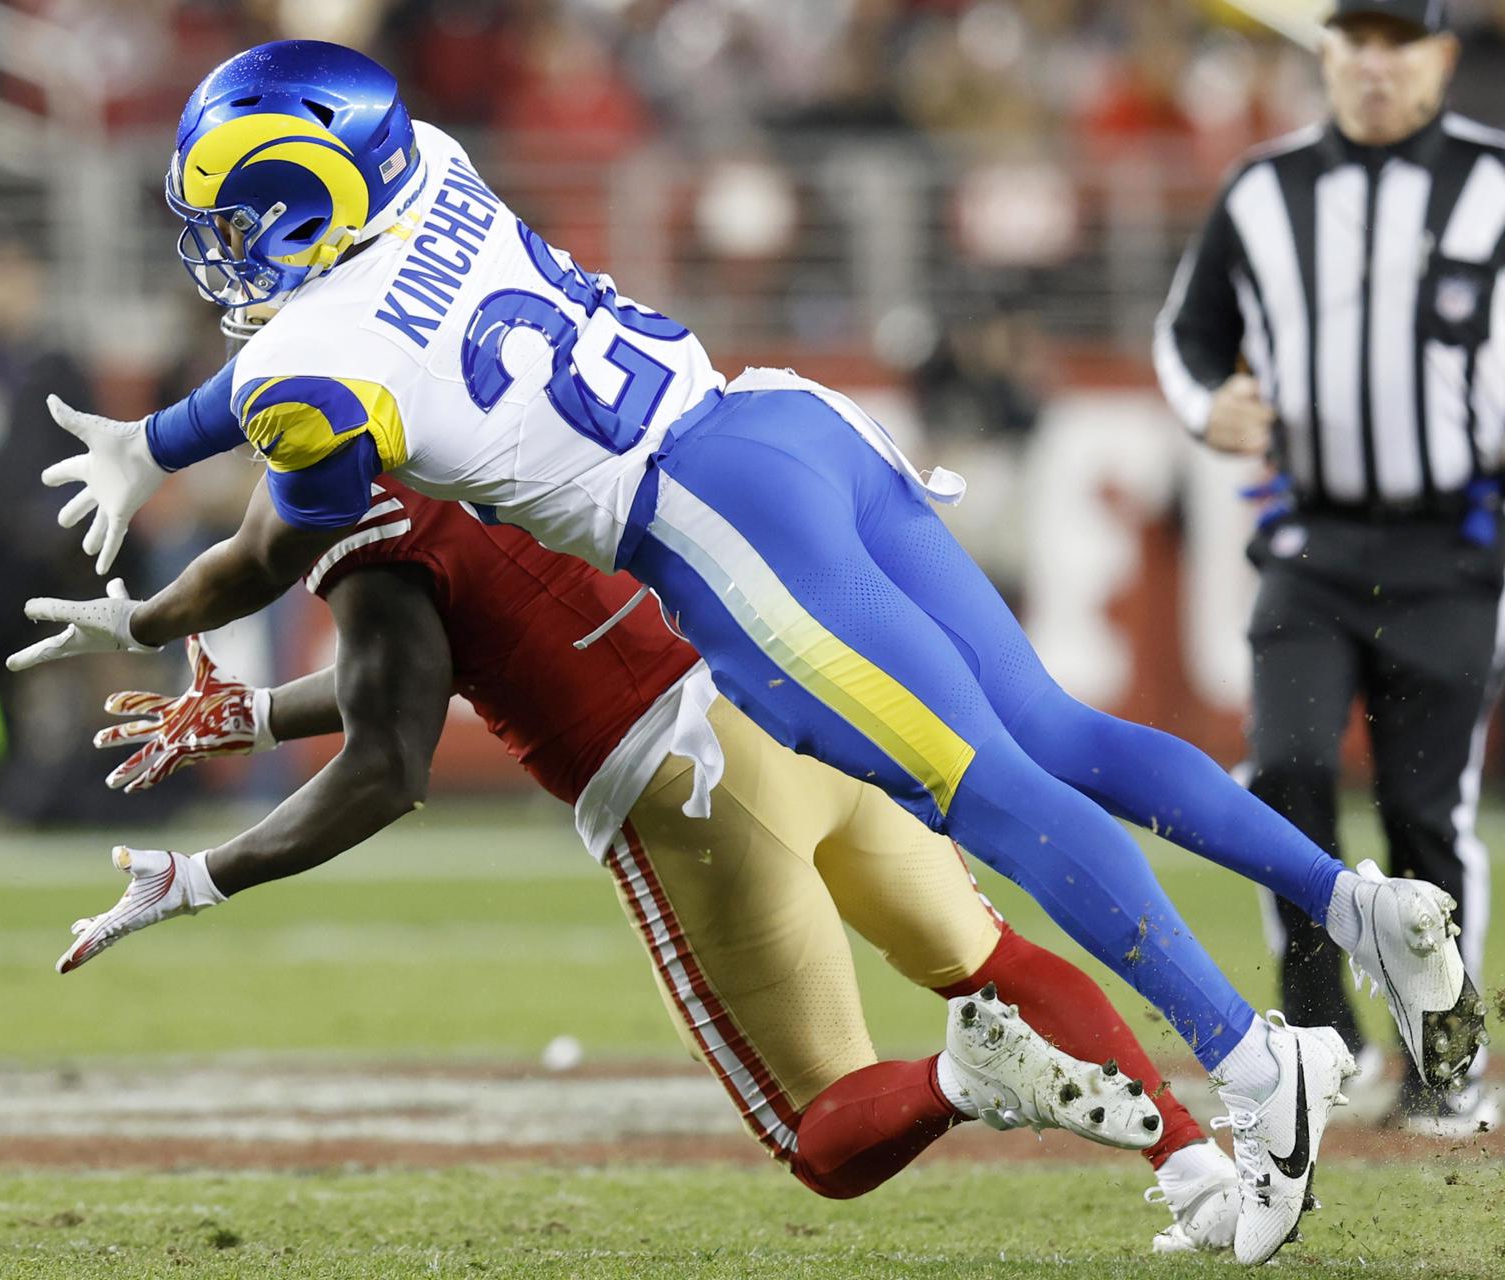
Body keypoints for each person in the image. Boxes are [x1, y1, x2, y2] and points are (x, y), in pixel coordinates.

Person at [9, 39, 1485, 1264]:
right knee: (1055, 728)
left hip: (705, 524)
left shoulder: (299, 382)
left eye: (240, 215)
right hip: (785, 421)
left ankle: (1249, 1059)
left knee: (974, 788)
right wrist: (156, 438)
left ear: (305, 200)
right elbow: (290, 368)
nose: (220, 251)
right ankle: (1358, 906)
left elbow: (285, 521)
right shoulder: (440, 165)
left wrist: (149, 525)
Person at [60, 475, 1241, 1252]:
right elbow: (470, 638)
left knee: (821, 1134)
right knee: (991, 953)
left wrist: (201, 875)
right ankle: (1201, 1173)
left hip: (683, 786)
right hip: (784, 695)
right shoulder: (484, 386)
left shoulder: (349, 499)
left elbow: (390, 760)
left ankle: (963, 1081)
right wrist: (262, 712)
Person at [1155, 0, 1500, 1135]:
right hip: (1311, 540)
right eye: (1354, 39)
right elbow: (1188, 332)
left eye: (1399, 40)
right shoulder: (1265, 189)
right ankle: (1317, 1030)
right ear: (1328, 54)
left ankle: (1444, 1057)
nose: (1374, 64)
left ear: (1442, 57)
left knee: (1422, 809)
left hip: (1454, 542)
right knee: (1288, 773)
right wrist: (1213, 406)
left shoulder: (1496, 182)